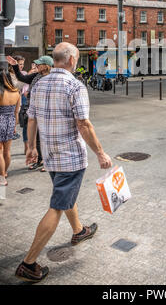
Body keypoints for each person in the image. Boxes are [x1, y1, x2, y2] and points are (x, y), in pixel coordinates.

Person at [15, 42, 112, 283]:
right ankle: (28, 263)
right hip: (70, 157)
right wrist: (100, 153)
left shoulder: (38, 83)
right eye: (77, 59)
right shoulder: (74, 85)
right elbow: (84, 124)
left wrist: (30, 147)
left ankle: (78, 231)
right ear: (70, 60)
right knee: (58, 204)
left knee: (64, 195)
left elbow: (31, 118)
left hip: (50, 155)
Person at [6, 55, 53, 172]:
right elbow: (21, 77)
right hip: (32, 109)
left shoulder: (52, 78)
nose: (36, 65)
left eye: (39, 64)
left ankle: (48, 162)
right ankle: (40, 160)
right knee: (36, 137)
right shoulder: (36, 75)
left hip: (45, 111)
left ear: (46, 66)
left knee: (45, 137)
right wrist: (15, 65)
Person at [0, 70, 21, 185]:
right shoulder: (16, 93)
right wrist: (14, 126)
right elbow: (16, 112)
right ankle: (5, 172)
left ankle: (2, 176)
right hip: (10, 121)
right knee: (7, 151)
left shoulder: (1, 92)